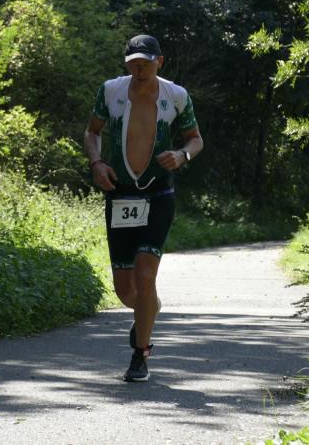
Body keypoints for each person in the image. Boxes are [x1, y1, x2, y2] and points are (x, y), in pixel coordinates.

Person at [83, 34, 203, 382]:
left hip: (159, 194)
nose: (139, 69)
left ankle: (140, 354)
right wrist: (96, 163)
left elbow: (195, 139)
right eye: (133, 63)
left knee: (146, 274)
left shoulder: (176, 96)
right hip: (120, 195)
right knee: (125, 291)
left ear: (159, 62)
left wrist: (182, 155)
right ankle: (149, 310)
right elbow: (92, 132)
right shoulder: (111, 91)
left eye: (145, 63)